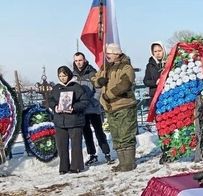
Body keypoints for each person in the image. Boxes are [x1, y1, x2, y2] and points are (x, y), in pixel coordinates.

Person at [92, 43, 138, 172]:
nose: (107, 56)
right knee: (116, 135)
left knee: (126, 134)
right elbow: (95, 79)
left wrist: (108, 95)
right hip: (110, 107)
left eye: (110, 53)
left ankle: (129, 162)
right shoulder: (105, 67)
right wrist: (99, 81)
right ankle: (122, 162)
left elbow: (125, 84)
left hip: (124, 104)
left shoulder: (126, 67)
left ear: (117, 54)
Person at [72, 52, 113, 166]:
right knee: (87, 133)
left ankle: (106, 153)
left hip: (93, 108)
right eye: (76, 61)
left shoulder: (92, 73)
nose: (78, 63)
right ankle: (92, 155)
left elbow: (99, 89)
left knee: (99, 131)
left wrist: (94, 101)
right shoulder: (73, 75)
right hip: (82, 110)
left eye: (80, 60)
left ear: (84, 60)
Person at [48, 66, 90, 174]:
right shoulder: (56, 88)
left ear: (69, 75)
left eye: (64, 75)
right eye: (60, 76)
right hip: (60, 122)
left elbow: (85, 102)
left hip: (75, 121)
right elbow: (50, 100)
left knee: (76, 145)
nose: (62, 78)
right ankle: (63, 167)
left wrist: (74, 108)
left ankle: (76, 166)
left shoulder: (77, 87)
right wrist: (55, 107)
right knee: (61, 145)